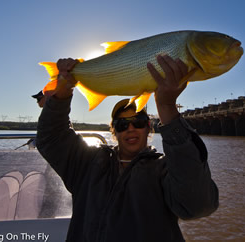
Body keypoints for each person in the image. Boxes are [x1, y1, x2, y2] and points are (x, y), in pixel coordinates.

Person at [36, 55, 219, 242]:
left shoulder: (166, 170)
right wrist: (62, 92)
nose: (130, 128)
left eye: (137, 122)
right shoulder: (88, 163)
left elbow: (197, 206)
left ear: (149, 127)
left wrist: (167, 107)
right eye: (122, 124)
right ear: (114, 131)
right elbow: (50, 138)